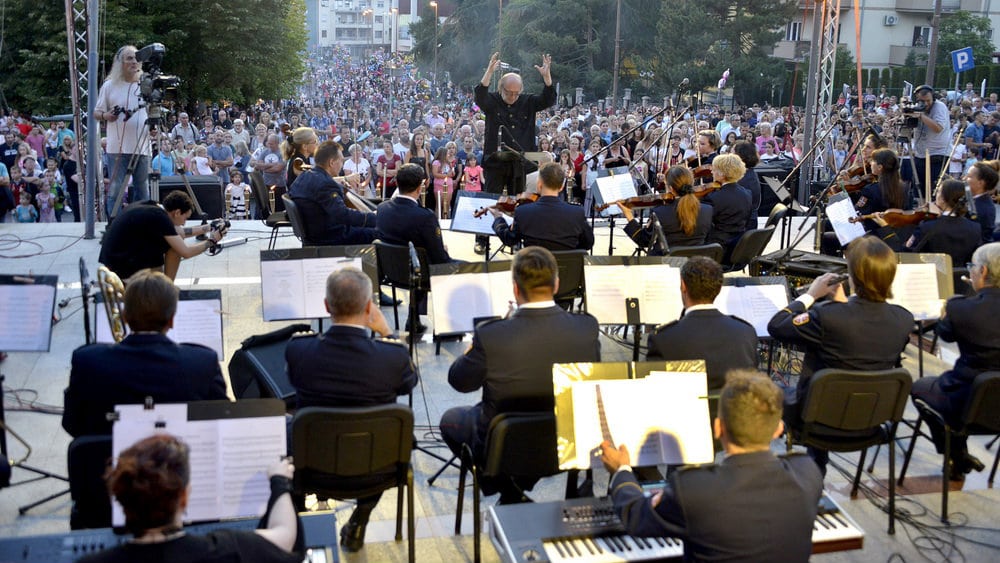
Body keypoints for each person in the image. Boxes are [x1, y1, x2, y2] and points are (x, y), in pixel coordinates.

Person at [600, 371, 822, 563]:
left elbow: (636, 517)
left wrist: (622, 471)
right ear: (777, 429)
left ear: (718, 428)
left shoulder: (693, 489)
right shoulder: (807, 472)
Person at [439, 246, 600, 503]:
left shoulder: (492, 334)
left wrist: (472, 349)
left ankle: (510, 492)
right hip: (565, 446)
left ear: (515, 288)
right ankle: (515, 490)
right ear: (556, 284)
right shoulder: (586, 327)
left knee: (450, 419)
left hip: (504, 449)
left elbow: (460, 382)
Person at [286, 268, 416, 551]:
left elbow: (293, 382)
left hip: (312, 468)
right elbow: (410, 382)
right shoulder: (392, 356)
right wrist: (388, 333)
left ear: (326, 307)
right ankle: (361, 518)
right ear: (369, 307)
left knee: (286, 428)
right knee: (389, 440)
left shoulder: (299, 350)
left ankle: (297, 532)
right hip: (378, 469)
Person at [768, 237, 913, 475]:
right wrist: (842, 306)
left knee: (775, 384)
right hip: (872, 419)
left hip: (816, 421)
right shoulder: (903, 319)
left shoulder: (827, 316)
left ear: (853, 276)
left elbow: (777, 326)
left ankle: (808, 471)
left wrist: (810, 295)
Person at [77, 434, 301, 563]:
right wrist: (279, 480)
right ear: (183, 497)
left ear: (122, 499)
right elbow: (285, 535)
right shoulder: (230, 549)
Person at [62, 270, 228, 437]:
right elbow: (224, 421)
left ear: (125, 317)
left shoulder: (87, 361)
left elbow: (72, 424)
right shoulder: (202, 362)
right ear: (171, 319)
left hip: (107, 461)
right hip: (178, 460)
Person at [910, 243, 1000, 480]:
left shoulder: (961, 308)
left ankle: (956, 455)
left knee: (918, 388)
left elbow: (946, 333)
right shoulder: (966, 307)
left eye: (972, 267)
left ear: (982, 273)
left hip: (965, 401)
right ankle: (959, 454)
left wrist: (955, 306)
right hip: (995, 405)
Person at [646, 257, 758, 393]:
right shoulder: (745, 332)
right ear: (718, 288)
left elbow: (655, 391)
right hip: (732, 412)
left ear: (683, 285)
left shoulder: (663, 338)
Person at [376, 163, 455, 333]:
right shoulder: (425, 217)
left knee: (418, 258)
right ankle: (450, 328)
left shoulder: (382, 209)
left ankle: (415, 319)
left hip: (391, 273)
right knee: (466, 269)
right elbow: (440, 259)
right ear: (421, 187)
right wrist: (446, 252)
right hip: (419, 274)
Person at [475, 52, 556, 196]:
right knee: (492, 200)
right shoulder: (492, 101)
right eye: (508, 92)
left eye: (516, 93)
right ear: (501, 88)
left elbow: (547, 99)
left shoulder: (528, 102)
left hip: (522, 162)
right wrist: (489, 71)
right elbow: (480, 96)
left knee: (520, 202)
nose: (512, 96)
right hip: (496, 162)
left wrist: (547, 78)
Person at [98, 191, 227, 281]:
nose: (184, 223)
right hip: (121, 266)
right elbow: (186, 252)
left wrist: (209, 227)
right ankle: (164, 290)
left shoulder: (155, 208)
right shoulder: (160, 218)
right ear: (177, 213)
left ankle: (162, 286)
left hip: (114, 258)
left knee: (175, 241)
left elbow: (178, 232)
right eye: (185, 218)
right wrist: (212, 240)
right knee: (175, 248)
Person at [94, 46, 151, 218]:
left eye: (136, 58)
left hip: (142, 147)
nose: (134, 62)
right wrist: (106, 115)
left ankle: (142, 225)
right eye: (129, 58)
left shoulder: (146, 83)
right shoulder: (109, 85)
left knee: (143, 190)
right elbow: (96, 113)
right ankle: (115, 226)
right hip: (117, 148)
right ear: (120, 63)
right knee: (115, 191)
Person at [287, 140, 376, 246]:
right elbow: (343, 215)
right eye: (341, 161)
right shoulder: (326, 184)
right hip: (329, 236)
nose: (342, 165)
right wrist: (374, 217)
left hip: (314, 233)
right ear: (332, 162)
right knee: (380, 233)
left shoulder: (303, 176)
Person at [491, 162, 594, 252]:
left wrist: (498, 219)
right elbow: (588, 243)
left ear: (539, 184)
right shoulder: (577, 213)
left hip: (534, 272)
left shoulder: (523, 212)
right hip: (566, 271)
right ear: (561, 186)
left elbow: (509, 239)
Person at [620, 166, 712, 252]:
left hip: (665, 263)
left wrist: (628, 214)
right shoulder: (708, 210)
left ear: (671, 188)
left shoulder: (660, 212)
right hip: (695, 262)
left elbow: (644, 240)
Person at [903, 179, 982, 267]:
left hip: (933, 275)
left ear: (943, 199)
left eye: (938, 192)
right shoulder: (975, 228)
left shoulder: (927, 226)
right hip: (958, 277)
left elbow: (908, 252)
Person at [702, 153, 752, 256]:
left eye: (714, 169)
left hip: (716, 248)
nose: (711, 171)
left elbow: (703, 224)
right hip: (737, 245)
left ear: (722, 174)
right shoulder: (747, 193)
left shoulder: (714, 198)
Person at [910, 84, 952, 194]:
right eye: (922, 101)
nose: (926, 104)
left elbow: (938, 128)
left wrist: (921, 116)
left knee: (935, 192)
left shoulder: (939, 107)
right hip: (920, 154)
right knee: (920, 191)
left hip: (937, 155)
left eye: (928, 100)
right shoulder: (917, 107)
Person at [964, 161, 998, 243]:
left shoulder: (982, 208)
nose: (964, 178)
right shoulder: (975, 198)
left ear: (980, 183)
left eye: (969, 176)